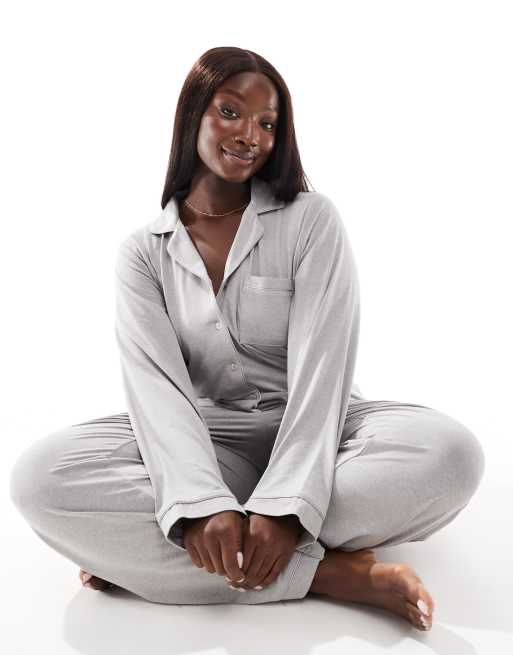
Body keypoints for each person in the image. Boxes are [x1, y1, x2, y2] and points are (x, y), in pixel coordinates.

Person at [9, 47, 485, 633]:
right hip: (206, 438)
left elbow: (323, 369)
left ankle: (163, 556)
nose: (249, 135)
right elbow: (157, 393)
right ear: (193, 115)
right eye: (230, 112)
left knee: (451, 454)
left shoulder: (310, 220)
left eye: (267, 123)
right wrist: (200, 503)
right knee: (41, 479)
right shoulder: (143, 254)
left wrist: (287, 509)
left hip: (326, 427)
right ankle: (330, 572)